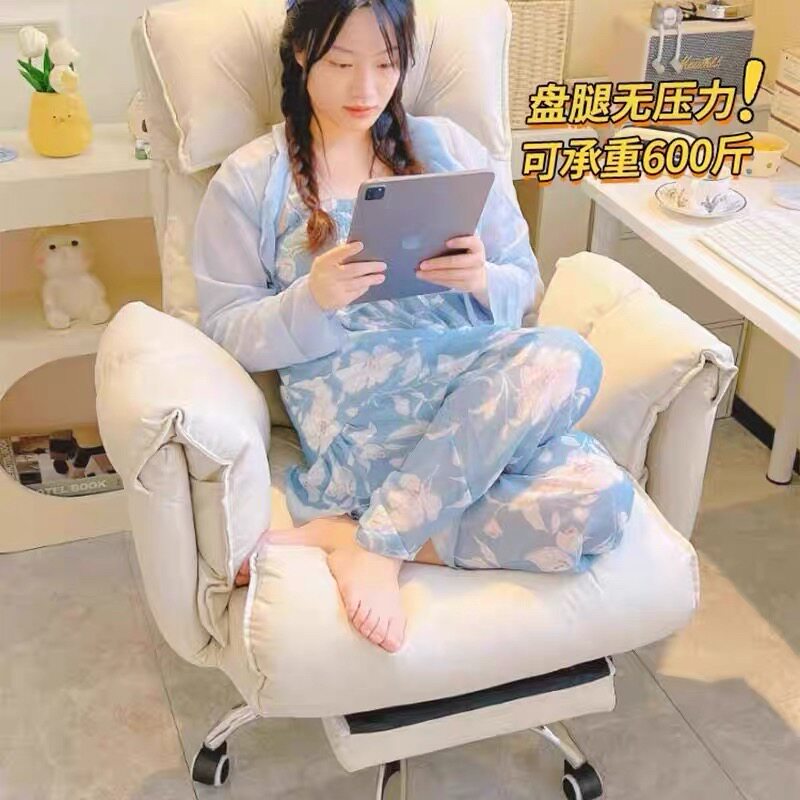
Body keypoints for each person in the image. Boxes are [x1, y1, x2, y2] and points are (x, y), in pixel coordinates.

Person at [192, 0, 634, 654]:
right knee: (564, 358)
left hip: (472, 404)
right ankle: (385, 543)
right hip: (360, 419)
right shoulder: (252, 178)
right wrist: (309, 300)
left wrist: (481, 279)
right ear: (301, 53)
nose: (365, 88)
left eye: (386, 64)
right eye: (341, 63)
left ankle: (359, 538)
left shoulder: (449, 148)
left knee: (604, 502)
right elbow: (224, 328)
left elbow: (524, 281)